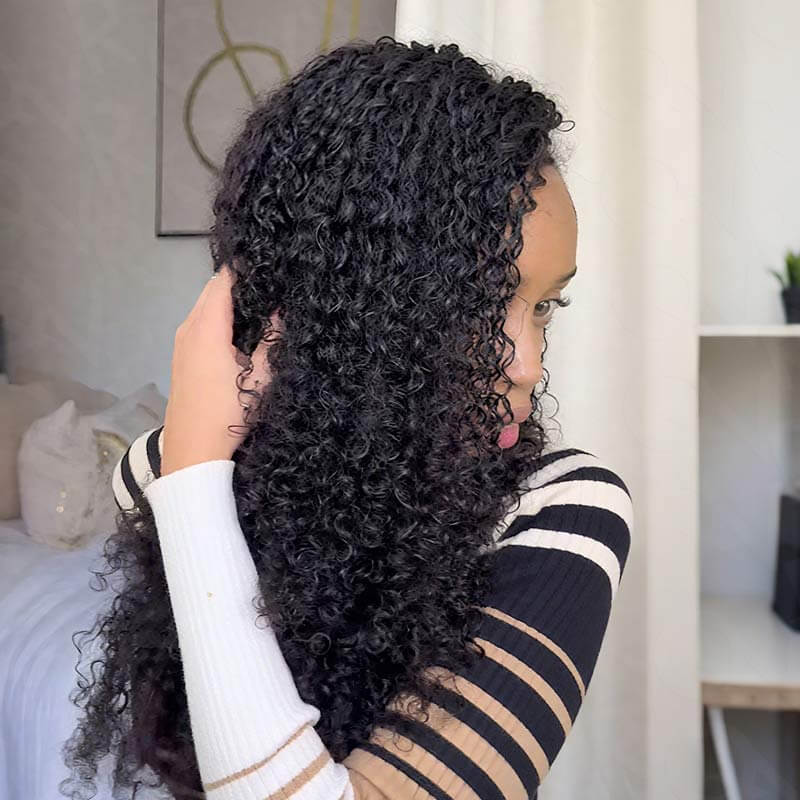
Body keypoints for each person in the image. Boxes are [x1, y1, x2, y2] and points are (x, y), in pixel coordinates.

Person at [62, 36, 633, 800]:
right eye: (478, 306)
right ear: (348, 306)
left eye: (545, 307)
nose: (526, 364)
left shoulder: (561, 510)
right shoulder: (167, 474)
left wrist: (195, 482)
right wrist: (197, 467)